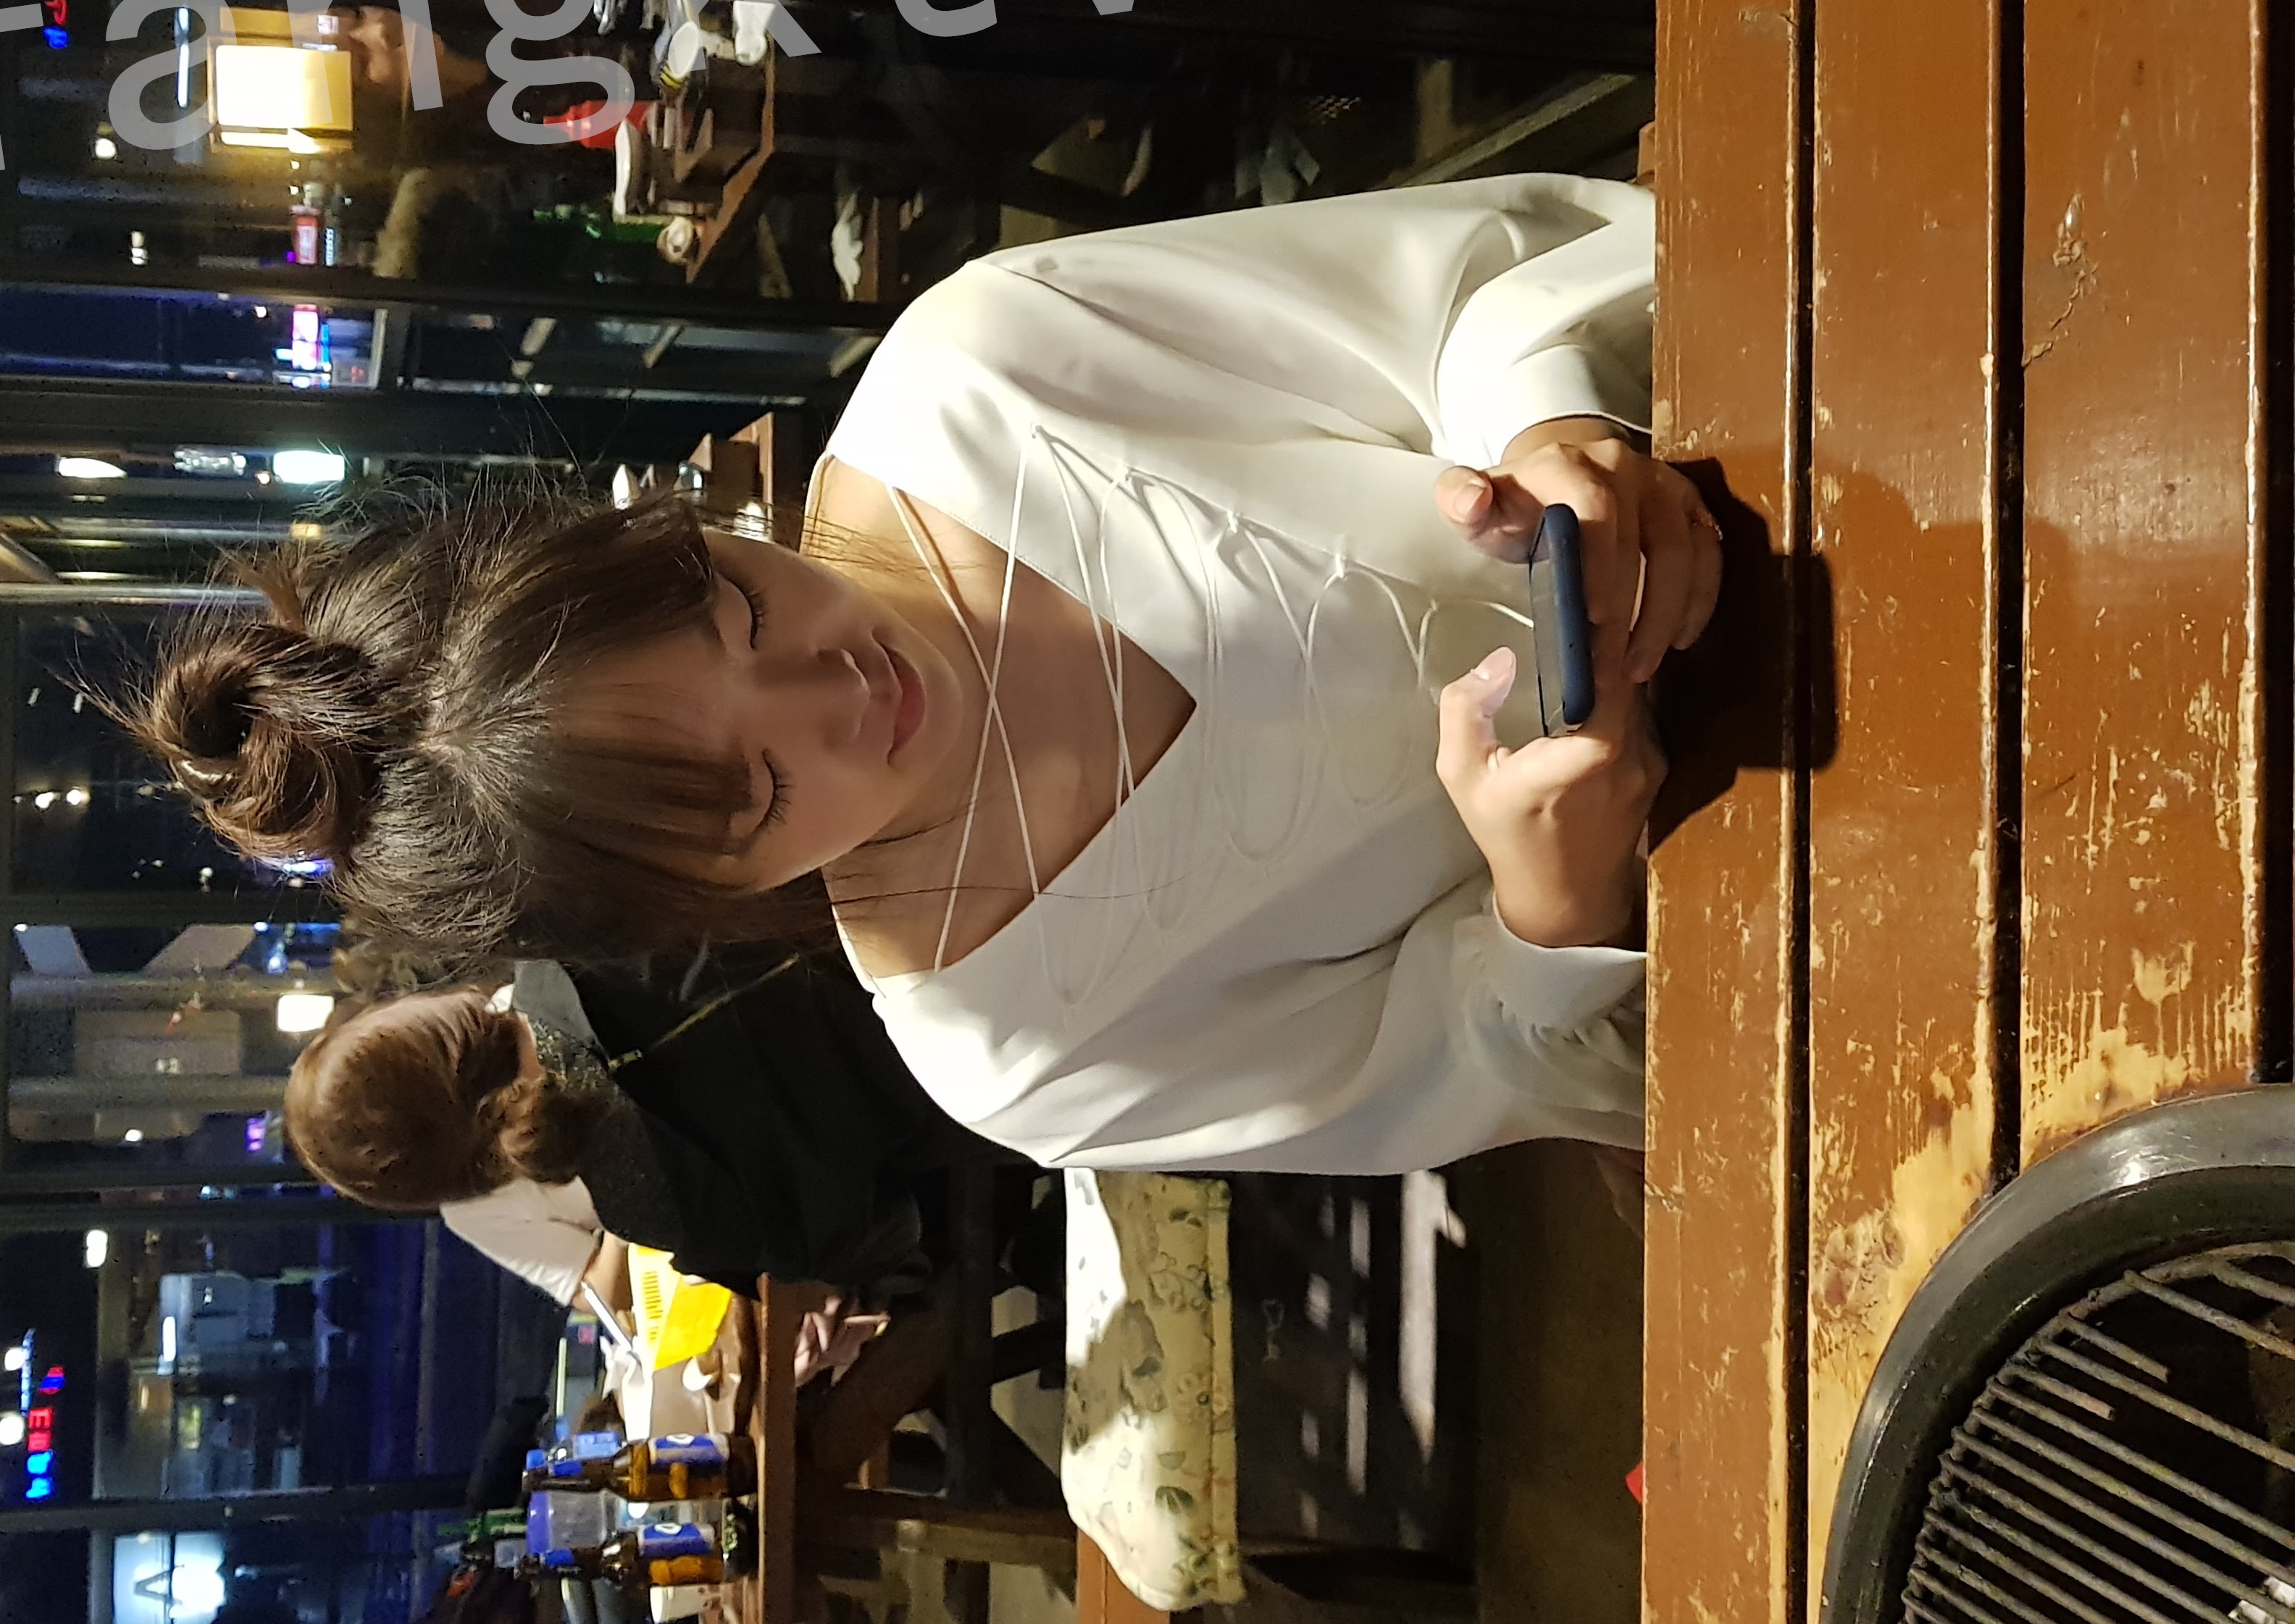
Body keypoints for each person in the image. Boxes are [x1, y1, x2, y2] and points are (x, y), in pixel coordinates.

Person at [124, 174, 1714, 1178]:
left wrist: (1546, 426)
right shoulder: (1018, 1057)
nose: (843, 697)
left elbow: (1474, 279)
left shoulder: (985, 373)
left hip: (1770, 439)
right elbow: (1489, 1076)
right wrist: (1550, 906)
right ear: (701, 901)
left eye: (741, 611)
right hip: (1763, 883)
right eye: (759, 792)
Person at [285, 948, 1003, 1300]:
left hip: (1007, 1089)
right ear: (423, 1016)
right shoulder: (577, 928)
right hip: (981, 888)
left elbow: (889, 1235)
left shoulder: (644, 1208)